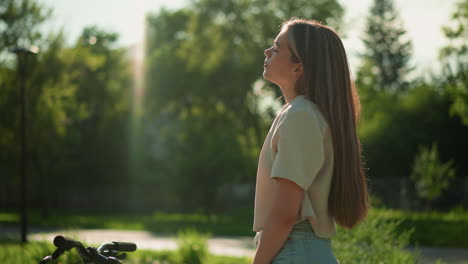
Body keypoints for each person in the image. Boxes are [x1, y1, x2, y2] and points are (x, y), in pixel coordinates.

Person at [252, 18, 369, 264]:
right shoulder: (300, 113)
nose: (267, 51)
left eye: (276, 48)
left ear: (299, 68)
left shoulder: (301, 115)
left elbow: (285, 215)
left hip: (296, 253)